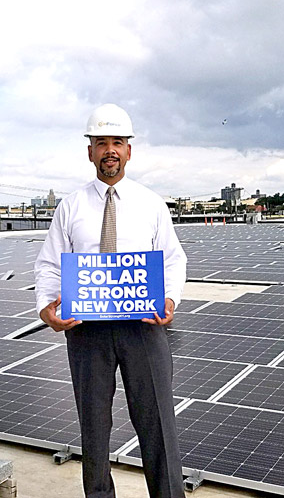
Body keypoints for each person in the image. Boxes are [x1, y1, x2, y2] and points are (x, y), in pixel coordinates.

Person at [34, 103, 187, 498]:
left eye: (117, 142)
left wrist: (168, 300)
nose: (110, 150)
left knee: (157, 425)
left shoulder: (151, 203)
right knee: (94, 430)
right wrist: (47, 308)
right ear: (90, 151)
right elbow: (50, 264)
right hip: (87, 332)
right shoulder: (71, 206)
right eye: (101, 142)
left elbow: (172, 259)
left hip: (144, 328)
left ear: (129, 150)